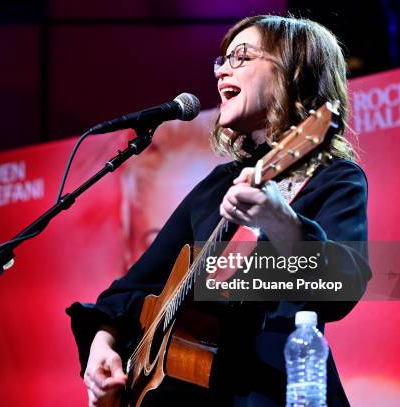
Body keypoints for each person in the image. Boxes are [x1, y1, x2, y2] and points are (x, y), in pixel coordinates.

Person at [67, 15, 370, 406]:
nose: (223, 70)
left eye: (242, 57)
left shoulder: (334, 179)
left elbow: (342, 287)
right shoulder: (217, 184)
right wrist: (103, 342)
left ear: (296, 72)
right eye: (222, 60)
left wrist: (281, 222)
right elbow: (135, 286)